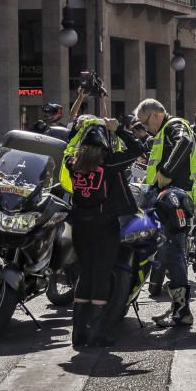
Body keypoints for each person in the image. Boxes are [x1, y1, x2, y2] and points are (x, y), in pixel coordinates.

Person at [66, 118, 144, 347]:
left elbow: (68, 144)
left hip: (80, 223)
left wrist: (78, 130)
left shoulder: (73, 163)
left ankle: (78, 332)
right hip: (103, 225)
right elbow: (139, 149)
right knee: (101, 276)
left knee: (86, 274)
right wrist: (118, 129)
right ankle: (97, 332)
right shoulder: (109, 163)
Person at [135, 99, 196, 327]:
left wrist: (167, 171)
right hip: (169, 198)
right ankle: (177, 308)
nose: (145, 128)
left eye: (145, 122)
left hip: (173, 200)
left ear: (155, 115)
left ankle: (182, 312)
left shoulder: (174, 125)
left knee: (173, 251)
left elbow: (185, 141)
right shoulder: (164, 131)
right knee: (171, 251)